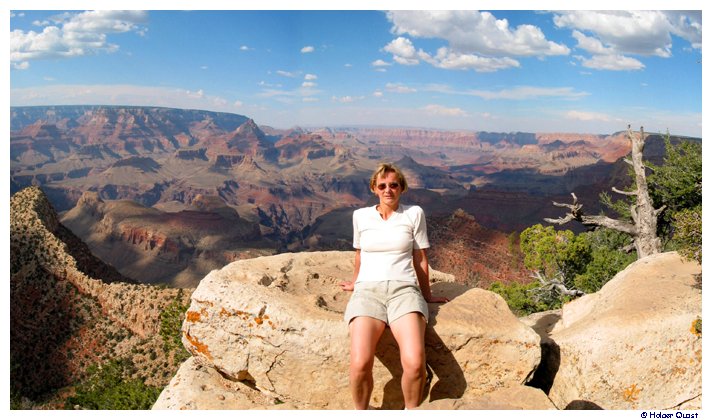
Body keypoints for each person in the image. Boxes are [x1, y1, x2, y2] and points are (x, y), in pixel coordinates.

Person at [340, 162, 448, 410]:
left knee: (414, 362)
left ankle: (411, 411)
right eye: (382, 185)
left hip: (404, 291)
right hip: (368, 292)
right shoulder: (361, 216)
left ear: (402, 188)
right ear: (374, 188)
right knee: (359, 363)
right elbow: (360, 254)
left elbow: (420, 257)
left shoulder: (414, 214)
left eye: (393, 185)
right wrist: (356, 282)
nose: (388, 190)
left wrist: (427, 295)